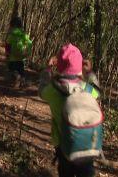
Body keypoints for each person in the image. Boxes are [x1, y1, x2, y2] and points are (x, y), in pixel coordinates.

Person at [38, 44, 100, 177]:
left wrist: (48, 69)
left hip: (63, 145)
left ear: (59, 66)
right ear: (79, 67)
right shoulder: (87, 89)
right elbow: (98, 91)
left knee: (65, 172)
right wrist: (89, 73)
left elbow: (41, 90)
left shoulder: (53, 89)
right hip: (86, 145)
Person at [5, 16, 32, 88]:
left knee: (12, 69)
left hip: (12, 57)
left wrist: (7, 54)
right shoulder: (24, 34)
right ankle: (22, 82)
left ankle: (17, 77)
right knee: (21, 70)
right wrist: (27, 53)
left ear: (12, 25)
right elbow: (29, 43)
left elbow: (8, 45)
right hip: (22, 58)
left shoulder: (12, 34)